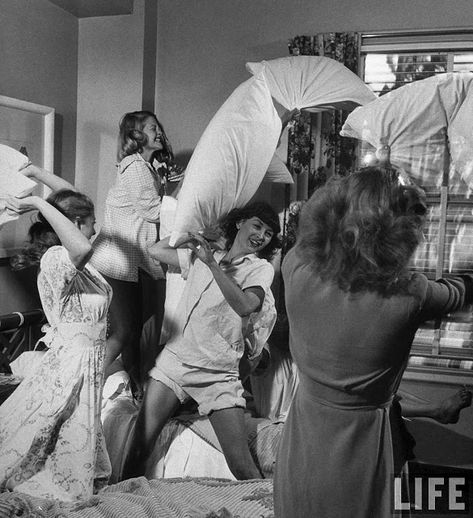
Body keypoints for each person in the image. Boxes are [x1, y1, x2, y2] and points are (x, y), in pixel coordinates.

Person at [273, 167, 473, 518]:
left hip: (306, 434)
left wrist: (359, 191)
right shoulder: (410, 295)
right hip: (364, 443)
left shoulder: (296, 268)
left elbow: (312, 230)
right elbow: (462, 290)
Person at [122, 201, 281, 481]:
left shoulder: (259, 269)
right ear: (239, 223)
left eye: (268, 233)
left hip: (217, 372)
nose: (262, 235)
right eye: (257, 225)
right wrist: (197, 233)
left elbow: (245, 305)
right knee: (137, 449)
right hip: (175, 362)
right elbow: (156, 249)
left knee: (241, 466)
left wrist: (212, 264)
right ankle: (117, 508)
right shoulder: (206, 253)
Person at [0, 170, 112, 501]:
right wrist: (35, 201)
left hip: (84, 364)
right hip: (68, 366)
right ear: (77, 223)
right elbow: (79, 245)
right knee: (43, 442)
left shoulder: (75, 258)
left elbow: (72, 201)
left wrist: (34, 172)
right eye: (90, 222)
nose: (96, 228)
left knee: (68, 441)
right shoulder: (57, 258)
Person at [91, 111, 181, 394]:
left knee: (135, 330)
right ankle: (87, 383)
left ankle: (134, 388)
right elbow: (152, 211)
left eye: (158, 127)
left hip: (128, 260)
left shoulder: (148, 167)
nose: (159, 132)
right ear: (137, 135)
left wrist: (171, 185)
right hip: (114, 261)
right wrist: (180, 190)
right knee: (127, 329)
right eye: (152, 128)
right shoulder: (135, 166)